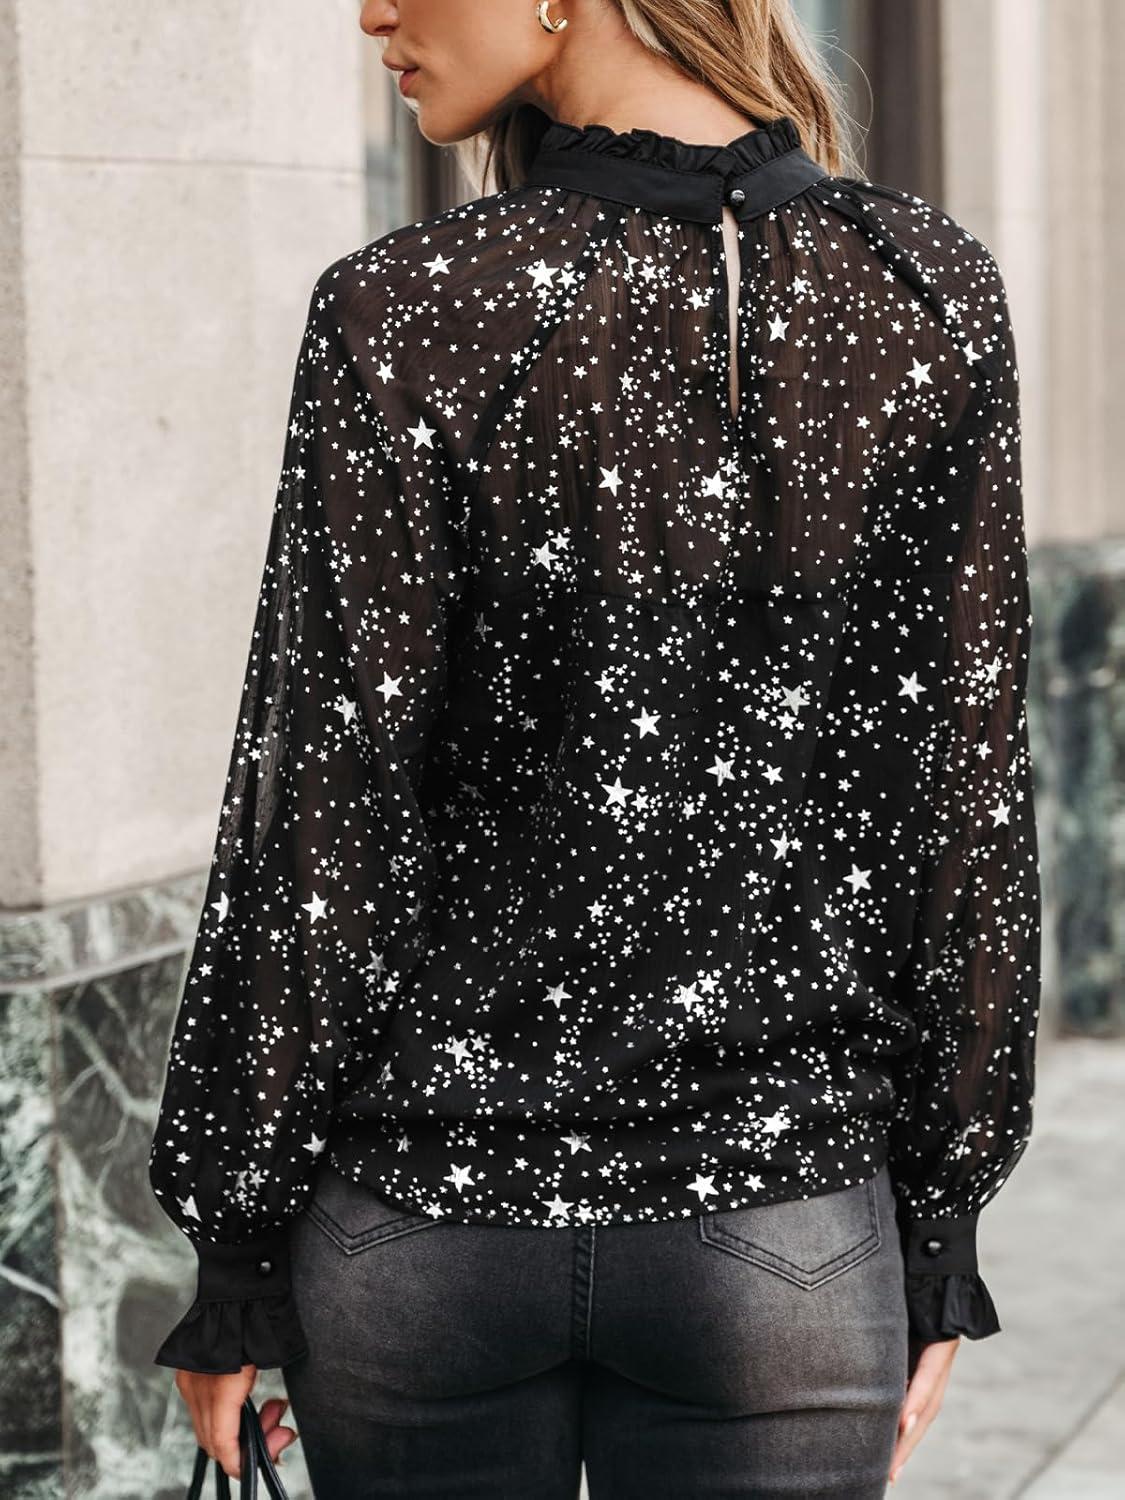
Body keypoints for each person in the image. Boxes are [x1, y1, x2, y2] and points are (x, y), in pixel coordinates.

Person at [146, 1, 1042, 1495]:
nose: (373, 12)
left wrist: (236, 1242)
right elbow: (963, 799)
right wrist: (941, 1220)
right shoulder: (920, 289)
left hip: (419, 1226)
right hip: (782, 1228)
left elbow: (322, 814)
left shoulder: (405, 303)